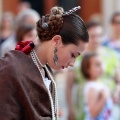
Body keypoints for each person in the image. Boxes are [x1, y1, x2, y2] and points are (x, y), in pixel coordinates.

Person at [0, 6, 89, 120]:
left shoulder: (45, 69)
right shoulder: (10, 70)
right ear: (56, 41)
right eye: (73, 55)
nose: (72, 63)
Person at [66, 21, 120, 120]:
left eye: (99, 36)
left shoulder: (112, 55)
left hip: (109, 111)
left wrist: (116, 92)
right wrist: (71, 109)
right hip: (83, 111)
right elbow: (69, 86)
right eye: (93, 36)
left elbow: (118, 81)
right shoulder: (76, 58)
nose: (96, 39)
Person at [81, 53, 113, 120]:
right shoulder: (92, 88)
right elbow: (93, 113)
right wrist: (104, 98)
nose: (101, 67)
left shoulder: (98, 84)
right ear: (87, 69)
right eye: (97, 65)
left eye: (101, 64)